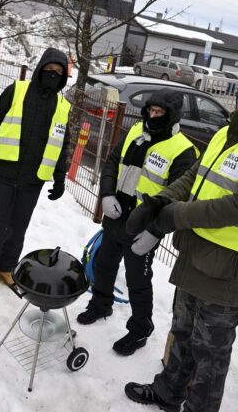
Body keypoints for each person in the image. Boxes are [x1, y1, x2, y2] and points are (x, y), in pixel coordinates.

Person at [123, 69, 238, 412]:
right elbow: (196, 175)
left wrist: (176, 216)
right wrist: (160, 201)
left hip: (231, 267)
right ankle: (168, 391)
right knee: (182, 330)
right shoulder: (228, 132)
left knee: (210, 350)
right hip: (198, 252)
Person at [76, 89, 198, 356]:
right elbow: (111, 163)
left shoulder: (183, 151)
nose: (152, 116)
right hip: (118, 212)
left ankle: (140, 328)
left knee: (137, 279)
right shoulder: (135, 132)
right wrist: (106, 195)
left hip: (144, 225)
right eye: (150, 111)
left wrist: (155, 232)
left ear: (172, 115)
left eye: (159, 113)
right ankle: (101, 303)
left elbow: (177, 198)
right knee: (104, 262)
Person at [0, 48, 71, 290]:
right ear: (40, 69)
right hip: (4, 172)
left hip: (33, 180)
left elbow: (62, 145)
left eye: (59, 72)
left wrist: (59, 178)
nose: (53, 74)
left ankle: (6, 268)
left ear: (64, 76)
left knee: (18, 227)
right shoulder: (17, 90)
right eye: (49, 69)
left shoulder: (63, 106)